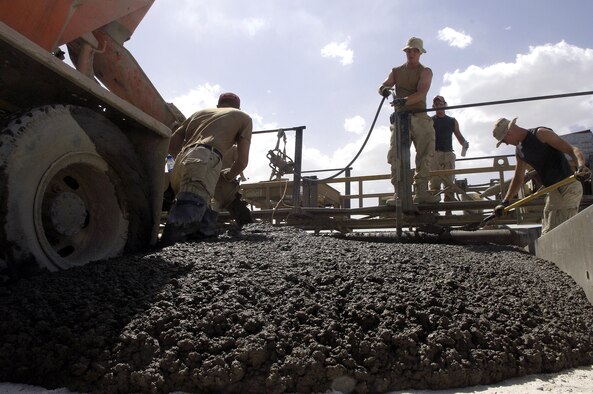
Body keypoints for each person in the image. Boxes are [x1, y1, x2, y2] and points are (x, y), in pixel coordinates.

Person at [162, 92, 253, 245]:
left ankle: (198, 246)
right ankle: (164, 255)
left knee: (198, 212)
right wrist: (228, 176)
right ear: (238, 107)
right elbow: (242, 162)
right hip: (205, 158)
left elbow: (172, 144)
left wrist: (190, 160)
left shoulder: (199, 113)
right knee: (185, 217)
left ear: (218, 105)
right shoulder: (243, 117)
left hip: (181, 160)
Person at [492, 117, 591, 234]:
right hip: (553, 190)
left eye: (504, 141)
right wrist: (505, 202)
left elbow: (572, 150)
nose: (507, 144)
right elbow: (518, 178)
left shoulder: (541, 134)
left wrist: (581, 167)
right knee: (548, 230)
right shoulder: (520, 151)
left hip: (568, 186)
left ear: (508, 133)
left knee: (561, 229)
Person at [379, 36, 439, 204]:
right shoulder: (396, 71)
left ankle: (421, 192)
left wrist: (403, 100)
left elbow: (421, 93)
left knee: (425, 154)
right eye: (408, 50)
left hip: (419, 117)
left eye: (414, 51)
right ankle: (400, 193)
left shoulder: (425, 71)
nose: (411, 53)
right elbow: (385, 84)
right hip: (401, 119)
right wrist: (384, 90)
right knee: (396, 155)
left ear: (420, 53)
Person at [429, 95, 469, 202]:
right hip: (435, 154)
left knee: (449, 183)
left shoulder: (452, 121)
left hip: (448, 154)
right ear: (433, 106)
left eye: (440, 104)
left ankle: (448, 211)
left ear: (445, 105)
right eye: (436, 105)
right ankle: (434, 211)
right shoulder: (430, 121)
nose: (438, 106)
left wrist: (464, 143)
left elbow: (459, 136)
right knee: (434, 183)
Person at [213, 145, 253, 229]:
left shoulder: (213, 147)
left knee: (214, 206)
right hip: (227, 181)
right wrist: (242, 177)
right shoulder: (233, 149)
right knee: (236, 206)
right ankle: (246, 225)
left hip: (214, 181)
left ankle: (212, 225)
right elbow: (239, 164)